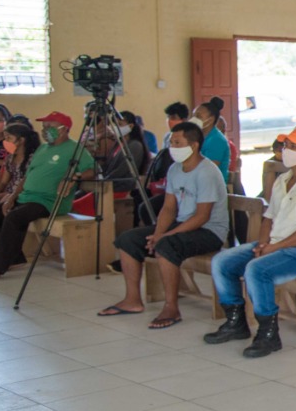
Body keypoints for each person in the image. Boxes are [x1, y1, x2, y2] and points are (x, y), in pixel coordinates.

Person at [204, 128, 296, 357]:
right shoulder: (283, 180)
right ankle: (235, 322)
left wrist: (274, 248)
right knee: (222, 261)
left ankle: (269, 334)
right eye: (286, 146)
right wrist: (262, 244)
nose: (286, 151)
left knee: (256, 270)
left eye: (294, 147)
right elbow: (269, 217)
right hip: (276, 245)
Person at [97, 122, 229, 329]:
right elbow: (168, 208)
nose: (172, 146)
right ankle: (132, 300)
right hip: (183, 224)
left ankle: (171, 307)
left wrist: (165, 236)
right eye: (171, 142)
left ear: (193, 145)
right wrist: (158, 232)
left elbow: (203, 216)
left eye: (177, 142)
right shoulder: (175, 169)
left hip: (209, 231)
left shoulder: (207, 172)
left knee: (166, 246)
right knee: (128, 239)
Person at [0, 112, 95, 279]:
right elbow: (26, 176)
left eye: (50, 127)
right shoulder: (42, 149)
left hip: (48, 201)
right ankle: (15, 258)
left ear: (64, 129)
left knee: (14, 218)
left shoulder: (75, 149)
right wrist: (12, 197)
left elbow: (92, 170)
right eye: (44, 127)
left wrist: (75, 176)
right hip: (26, 197)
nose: (45, 131)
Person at [0, 123, 38, 210]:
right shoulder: (10, 158)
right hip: (8, 193)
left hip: (21, 195)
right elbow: (4, 182)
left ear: (21, 140)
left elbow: (27, 184)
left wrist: (7, 195)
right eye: (5, 138)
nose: (5, 141)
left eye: (9, 138)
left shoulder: (32, 159)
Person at [189, 97, 231, 184]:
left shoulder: (217, 140)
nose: (194, 119)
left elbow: (208, 170)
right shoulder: (197, 137)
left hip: (212, 187)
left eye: (198, 116)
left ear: (211, 119)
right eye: (193, 115)